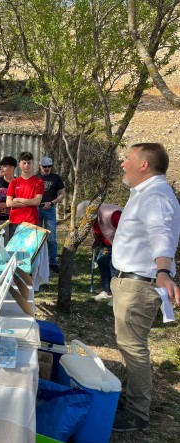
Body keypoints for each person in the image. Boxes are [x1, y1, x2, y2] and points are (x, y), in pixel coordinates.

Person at [110, 143, 180, 432]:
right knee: (128, 346)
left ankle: (137, 413)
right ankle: (128, 400)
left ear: (144, 165)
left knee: (133, 348)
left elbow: (161, 234)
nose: (123, 164)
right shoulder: (145, 193)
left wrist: (163, 271)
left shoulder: (155, 195)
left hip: (140, 284)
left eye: (129, 159)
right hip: (132, 282)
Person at [76, 200, 122, 304]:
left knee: (114, 267)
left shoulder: (112, 214)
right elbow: (99, 231)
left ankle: (116, 296)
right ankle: (107, 292)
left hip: (121, 245)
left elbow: (127, 231)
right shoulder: (93, 217)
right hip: (108, 244)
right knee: (101, 261)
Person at [6, 152, 44, 239]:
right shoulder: (14, 182)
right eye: (24, 163)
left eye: (29, 163)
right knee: (14, 250)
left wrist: (18, 199)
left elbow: (37, 201)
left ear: (33, 163)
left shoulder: (38, 182)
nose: (27, 165)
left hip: (31, 221)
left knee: (30, 251)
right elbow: (8, 203)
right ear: (19, 164)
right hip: (15, 221)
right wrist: (29, 202)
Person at [37, 157, 66, 272]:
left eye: (49, 166)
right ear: (40, 166)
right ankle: (37, 261)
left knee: (52, 238)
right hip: (36, 209)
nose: (47, 168)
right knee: (37, 237)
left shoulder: (56, 177)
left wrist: (52, 202)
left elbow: (62, 194)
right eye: (45, 166)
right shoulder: (35, 178)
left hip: (50, 209)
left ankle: (53, 261)